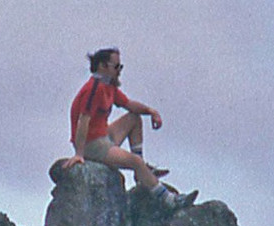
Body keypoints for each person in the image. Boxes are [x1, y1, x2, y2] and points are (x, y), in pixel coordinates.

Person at [64, 47, 196, 208]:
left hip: (103, 136)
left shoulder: (109, 87)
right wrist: (79, 153)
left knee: (134, 118)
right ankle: (170, 200)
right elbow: (83, 121)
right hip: (91, 145)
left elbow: (128, 104)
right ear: (102, 66)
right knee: (134, 161)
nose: (119, 71)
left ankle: (140, 171)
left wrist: (151, 111)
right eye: (116, 67)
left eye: (121, 67)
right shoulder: (93, 89)